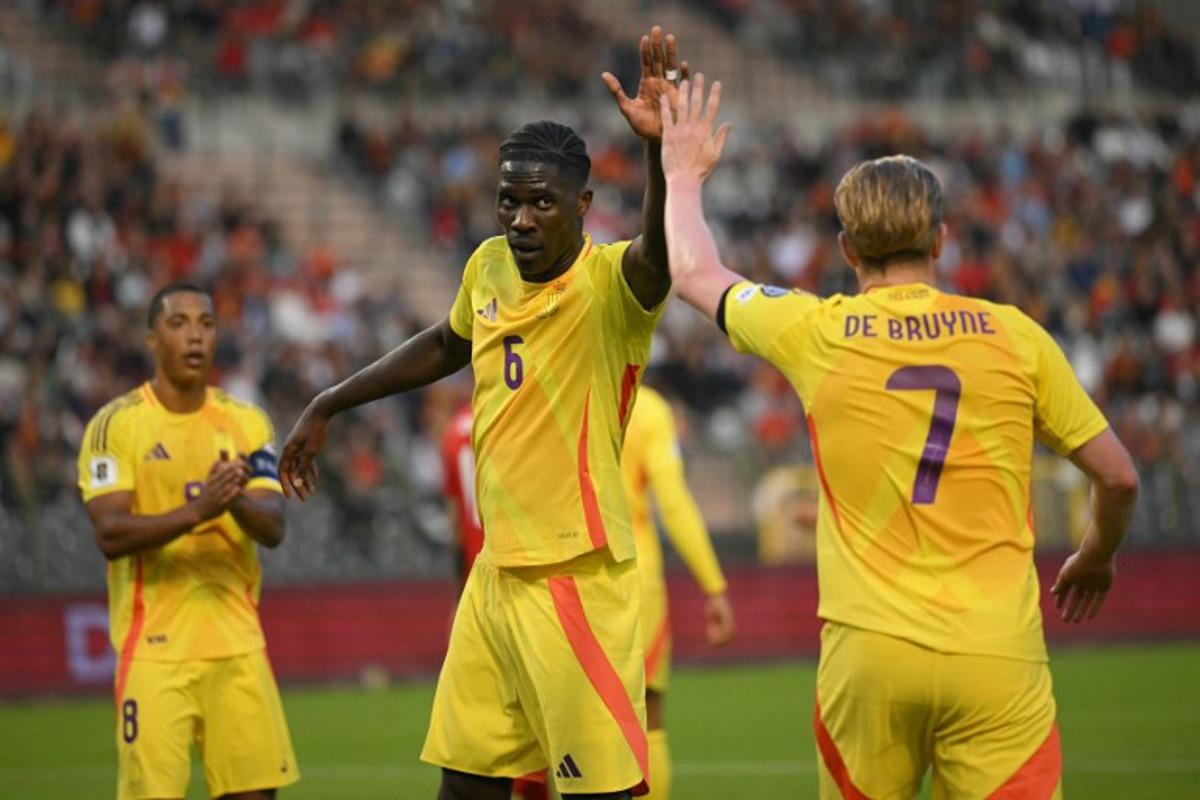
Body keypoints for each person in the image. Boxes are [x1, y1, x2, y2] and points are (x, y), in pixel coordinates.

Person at [656, 78, 1140, 798]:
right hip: (995, 655)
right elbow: (1120, 478)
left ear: (848, 249)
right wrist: (1095, 558)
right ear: (941, 240)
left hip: (870, 655)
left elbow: (693, 272)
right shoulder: (1016, 337)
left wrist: (682, 175)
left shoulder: (815, 330)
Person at [280, 27, 688, 800]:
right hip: (496, 574)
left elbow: (660, 256)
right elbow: (445, 342)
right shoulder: (488, 265)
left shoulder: (613, 286)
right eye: (510, 200)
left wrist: (660, 159)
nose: (523, 219)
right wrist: (330, 400)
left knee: (605, 793)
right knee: (465, 787)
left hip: (575, 576)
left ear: (583, 207)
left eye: (543, 202)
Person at [77, 283, 298, 800]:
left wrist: (233, 499)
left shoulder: (246, 422)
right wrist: (200, 509)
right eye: (178, 324)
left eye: (205, 324)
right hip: (155, 652)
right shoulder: (116, 425)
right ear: (152, 339)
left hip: (239, 646)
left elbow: (274, 525)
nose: (194, 336)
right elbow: (110, 533)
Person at [619, 385, 735, 800]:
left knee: (574, 720)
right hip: (634, 570)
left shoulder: (562, 391)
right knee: (648, 713)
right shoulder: (648, 408)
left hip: (568, 569)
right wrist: (714, 586)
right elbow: (673, 503)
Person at [439, 401, 548, 800]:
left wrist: (456, 598)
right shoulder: (520, 410)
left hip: (479, 584)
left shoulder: (453, 433)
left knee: (488, 744)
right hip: (531, 574)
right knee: (547, 736)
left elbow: (456, 524)